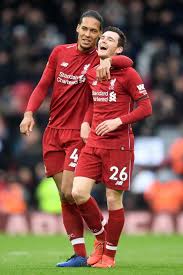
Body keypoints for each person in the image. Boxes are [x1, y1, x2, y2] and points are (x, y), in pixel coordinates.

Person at [19, 11, 133, 267]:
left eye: (95, 32)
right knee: (64, 195)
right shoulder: (60, 52)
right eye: (85, 29)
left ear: (99, 35)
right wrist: (28, 113)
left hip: (79, 134)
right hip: (53, 132)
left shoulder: (101, 57)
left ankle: (101, 237)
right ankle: (80, 253)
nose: (88, 35)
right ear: (77, 28)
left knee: (73, 190)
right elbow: (42, 85)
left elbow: (127, 60)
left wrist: (111, 61)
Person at [72, 26, 152, 268]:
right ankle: (100, 239)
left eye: (110, 39)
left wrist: (119, 120)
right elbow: (92, 102)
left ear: (118, 49)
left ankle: (110, 256)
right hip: (94, 141)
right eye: (102, 37)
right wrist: (86, 123)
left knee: (112, 199)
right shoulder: (91, 73)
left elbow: (146, 108)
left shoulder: (129, 73)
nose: (103, 40)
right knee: (78, 193)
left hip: (119, 144)